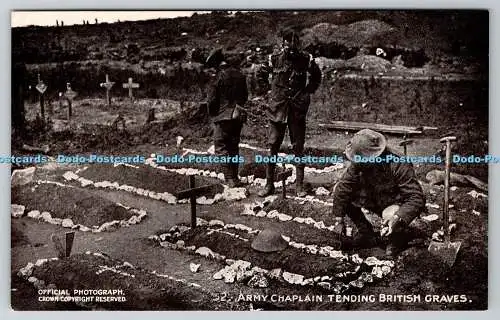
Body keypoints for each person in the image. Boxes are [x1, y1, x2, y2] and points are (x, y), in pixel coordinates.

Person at [331, 129, 426, 256]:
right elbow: (343, 188)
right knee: (342, 193)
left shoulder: (398, 163)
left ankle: (397, 239)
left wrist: (397, 218)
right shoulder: (360, 161)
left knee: (390, 214)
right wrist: (339, 220)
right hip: (373, 196)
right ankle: (366, 233)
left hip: (394, 201)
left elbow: (416, 197)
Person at [258, 27, 322, 197]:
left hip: (297, 110)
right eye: (288, 46)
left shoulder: (306, 59)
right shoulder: (274, 59)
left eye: (294, 47)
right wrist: (268, 93)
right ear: (283, 44)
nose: (291, 50)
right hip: (277, 109)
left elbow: (316, 77)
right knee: (272, 146)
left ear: (298, 45)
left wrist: (307, 91)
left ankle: (299, 186)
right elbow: (260, 74)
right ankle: (269, 184)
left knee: (298, 148)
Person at [206, 48, 249, 187]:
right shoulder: (240, 75)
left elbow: (211, 100)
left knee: (220, 147)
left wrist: (213, 114)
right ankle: (235, 177)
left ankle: (230, 178)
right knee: (233, 147)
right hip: (238, 115)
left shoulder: (217, 77)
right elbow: (245, 96)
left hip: (223, 116)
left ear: (216, 64)